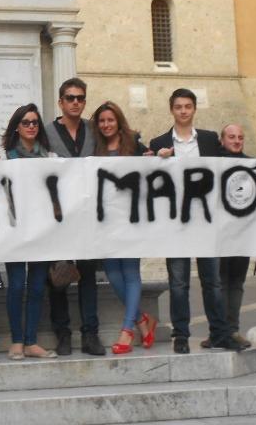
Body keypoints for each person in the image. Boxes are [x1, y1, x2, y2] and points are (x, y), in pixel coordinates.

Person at [150, 88, 245, 354]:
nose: (183, 111)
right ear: (172, 109)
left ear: (194, 109)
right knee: (178, 282)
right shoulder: (158, 143)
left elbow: (230, 167)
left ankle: (219, 333)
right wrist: (158, 161)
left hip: (205, 220)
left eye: (188, 106)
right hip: (175, 222)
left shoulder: (209, 140)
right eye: (179, 106)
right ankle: (181, 335)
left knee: (212, 280)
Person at [43, 77, 105, 356]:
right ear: (61, 102)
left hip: (87, 215)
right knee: (59, 276)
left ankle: (90, 333)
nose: (76, 102)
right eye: (70, 98)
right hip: (57, 217)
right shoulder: (46, 132)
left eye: (80, 98)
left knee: (88, 276)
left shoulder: (94, 131)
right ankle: (63, 333)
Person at [91, 101, 158, 355]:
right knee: (112, 273)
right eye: (102, 121)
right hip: (106, 221)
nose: (106, 125)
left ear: (119, 121)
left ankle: (128, 329)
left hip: (131, 219)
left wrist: (152, 160)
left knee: (129, 271)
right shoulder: (95, 148)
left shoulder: (135, 146)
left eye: (110, 120)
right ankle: (143, 319)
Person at [0, 103, 57, 360]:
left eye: (35, 122)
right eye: (26, 122)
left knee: (35, 287)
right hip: (15, 232)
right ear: (17, 127)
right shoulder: (5, 157)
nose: (31, 127)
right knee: (16, 287)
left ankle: (32, 341)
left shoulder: (51, 158)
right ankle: (16, 341)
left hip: (42, 231)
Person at [207, 123, 252, 349]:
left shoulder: (253, 166)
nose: (236, 141)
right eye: (232, 137)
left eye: (240, 137)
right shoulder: (212, 164)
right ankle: (219, 330)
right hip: (217, 235)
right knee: (217, 282)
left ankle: (232, 329)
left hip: (242, 235)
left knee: (235, 283)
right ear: (222, 140)